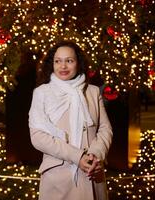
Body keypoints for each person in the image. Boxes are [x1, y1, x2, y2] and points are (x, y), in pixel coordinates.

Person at [28, 41, 113, 200]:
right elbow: (38, 136)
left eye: (69, 60)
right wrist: (78, 156)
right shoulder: (42, 93)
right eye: (58, 61)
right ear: (52, 64)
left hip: (92, 174)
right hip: (58, 178)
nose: (63, 66)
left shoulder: (93, 91)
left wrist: (95, 155)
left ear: (78, 63)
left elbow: (105, 129)